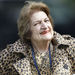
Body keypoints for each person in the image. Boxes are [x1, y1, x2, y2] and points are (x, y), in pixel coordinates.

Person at [0, 1, 75, 75]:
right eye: (37, 23)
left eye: (46, 21)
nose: (45, 26)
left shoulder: (70, 46)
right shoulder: (12, 55)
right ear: (28, 33)